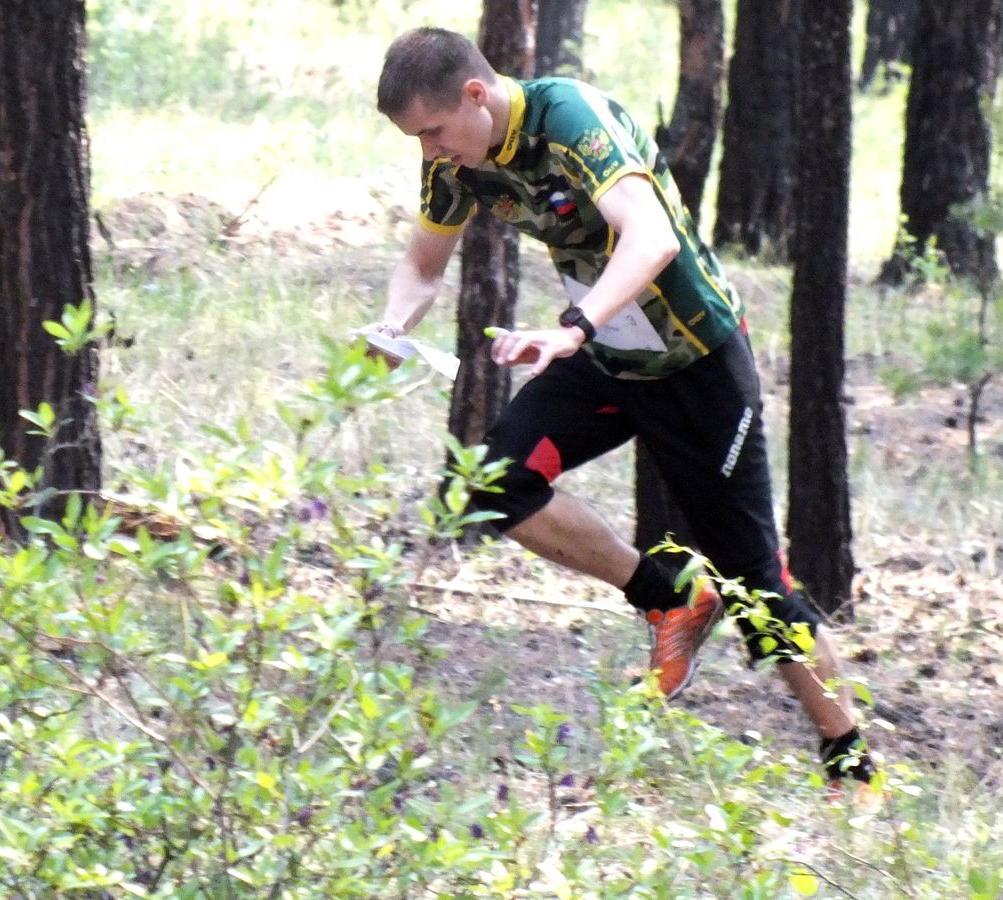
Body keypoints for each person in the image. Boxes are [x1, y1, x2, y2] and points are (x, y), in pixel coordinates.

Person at [362, 27, 878, 797]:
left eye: (434, 132)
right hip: (608, 359)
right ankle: (670, 598)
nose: (431, 152)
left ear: (475, 94)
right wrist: (392, 325)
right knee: (487, 484)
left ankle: (852, 765)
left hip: (696, 361)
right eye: (418, 140)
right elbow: (422, 264)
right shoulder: (455, 162)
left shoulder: (572, 120)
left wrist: (575, 327)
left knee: (758, 585)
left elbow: (652, 237)